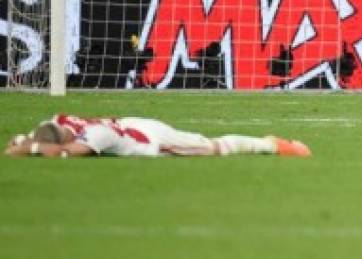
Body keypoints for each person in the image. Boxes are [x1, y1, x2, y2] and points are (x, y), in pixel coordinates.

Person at [5, 113, 310, 158]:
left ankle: (273, 145)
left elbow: (69, 153)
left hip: (151, 140)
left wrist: (27, 147)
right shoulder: (60, 119)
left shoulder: (98, 135)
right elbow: (48, 134)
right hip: (137, 123)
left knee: (211, 147)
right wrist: (27, 141)